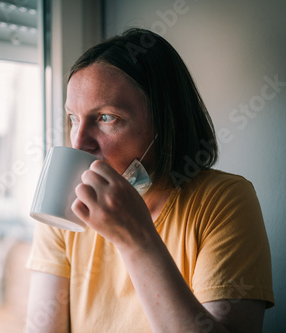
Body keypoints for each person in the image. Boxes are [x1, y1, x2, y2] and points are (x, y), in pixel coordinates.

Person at [25, 28, 274, 332]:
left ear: (165, 121)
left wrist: (136, 240)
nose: (79, 143)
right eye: (74, 118)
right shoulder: (66, 204)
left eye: (106, 117)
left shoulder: (224, 201)